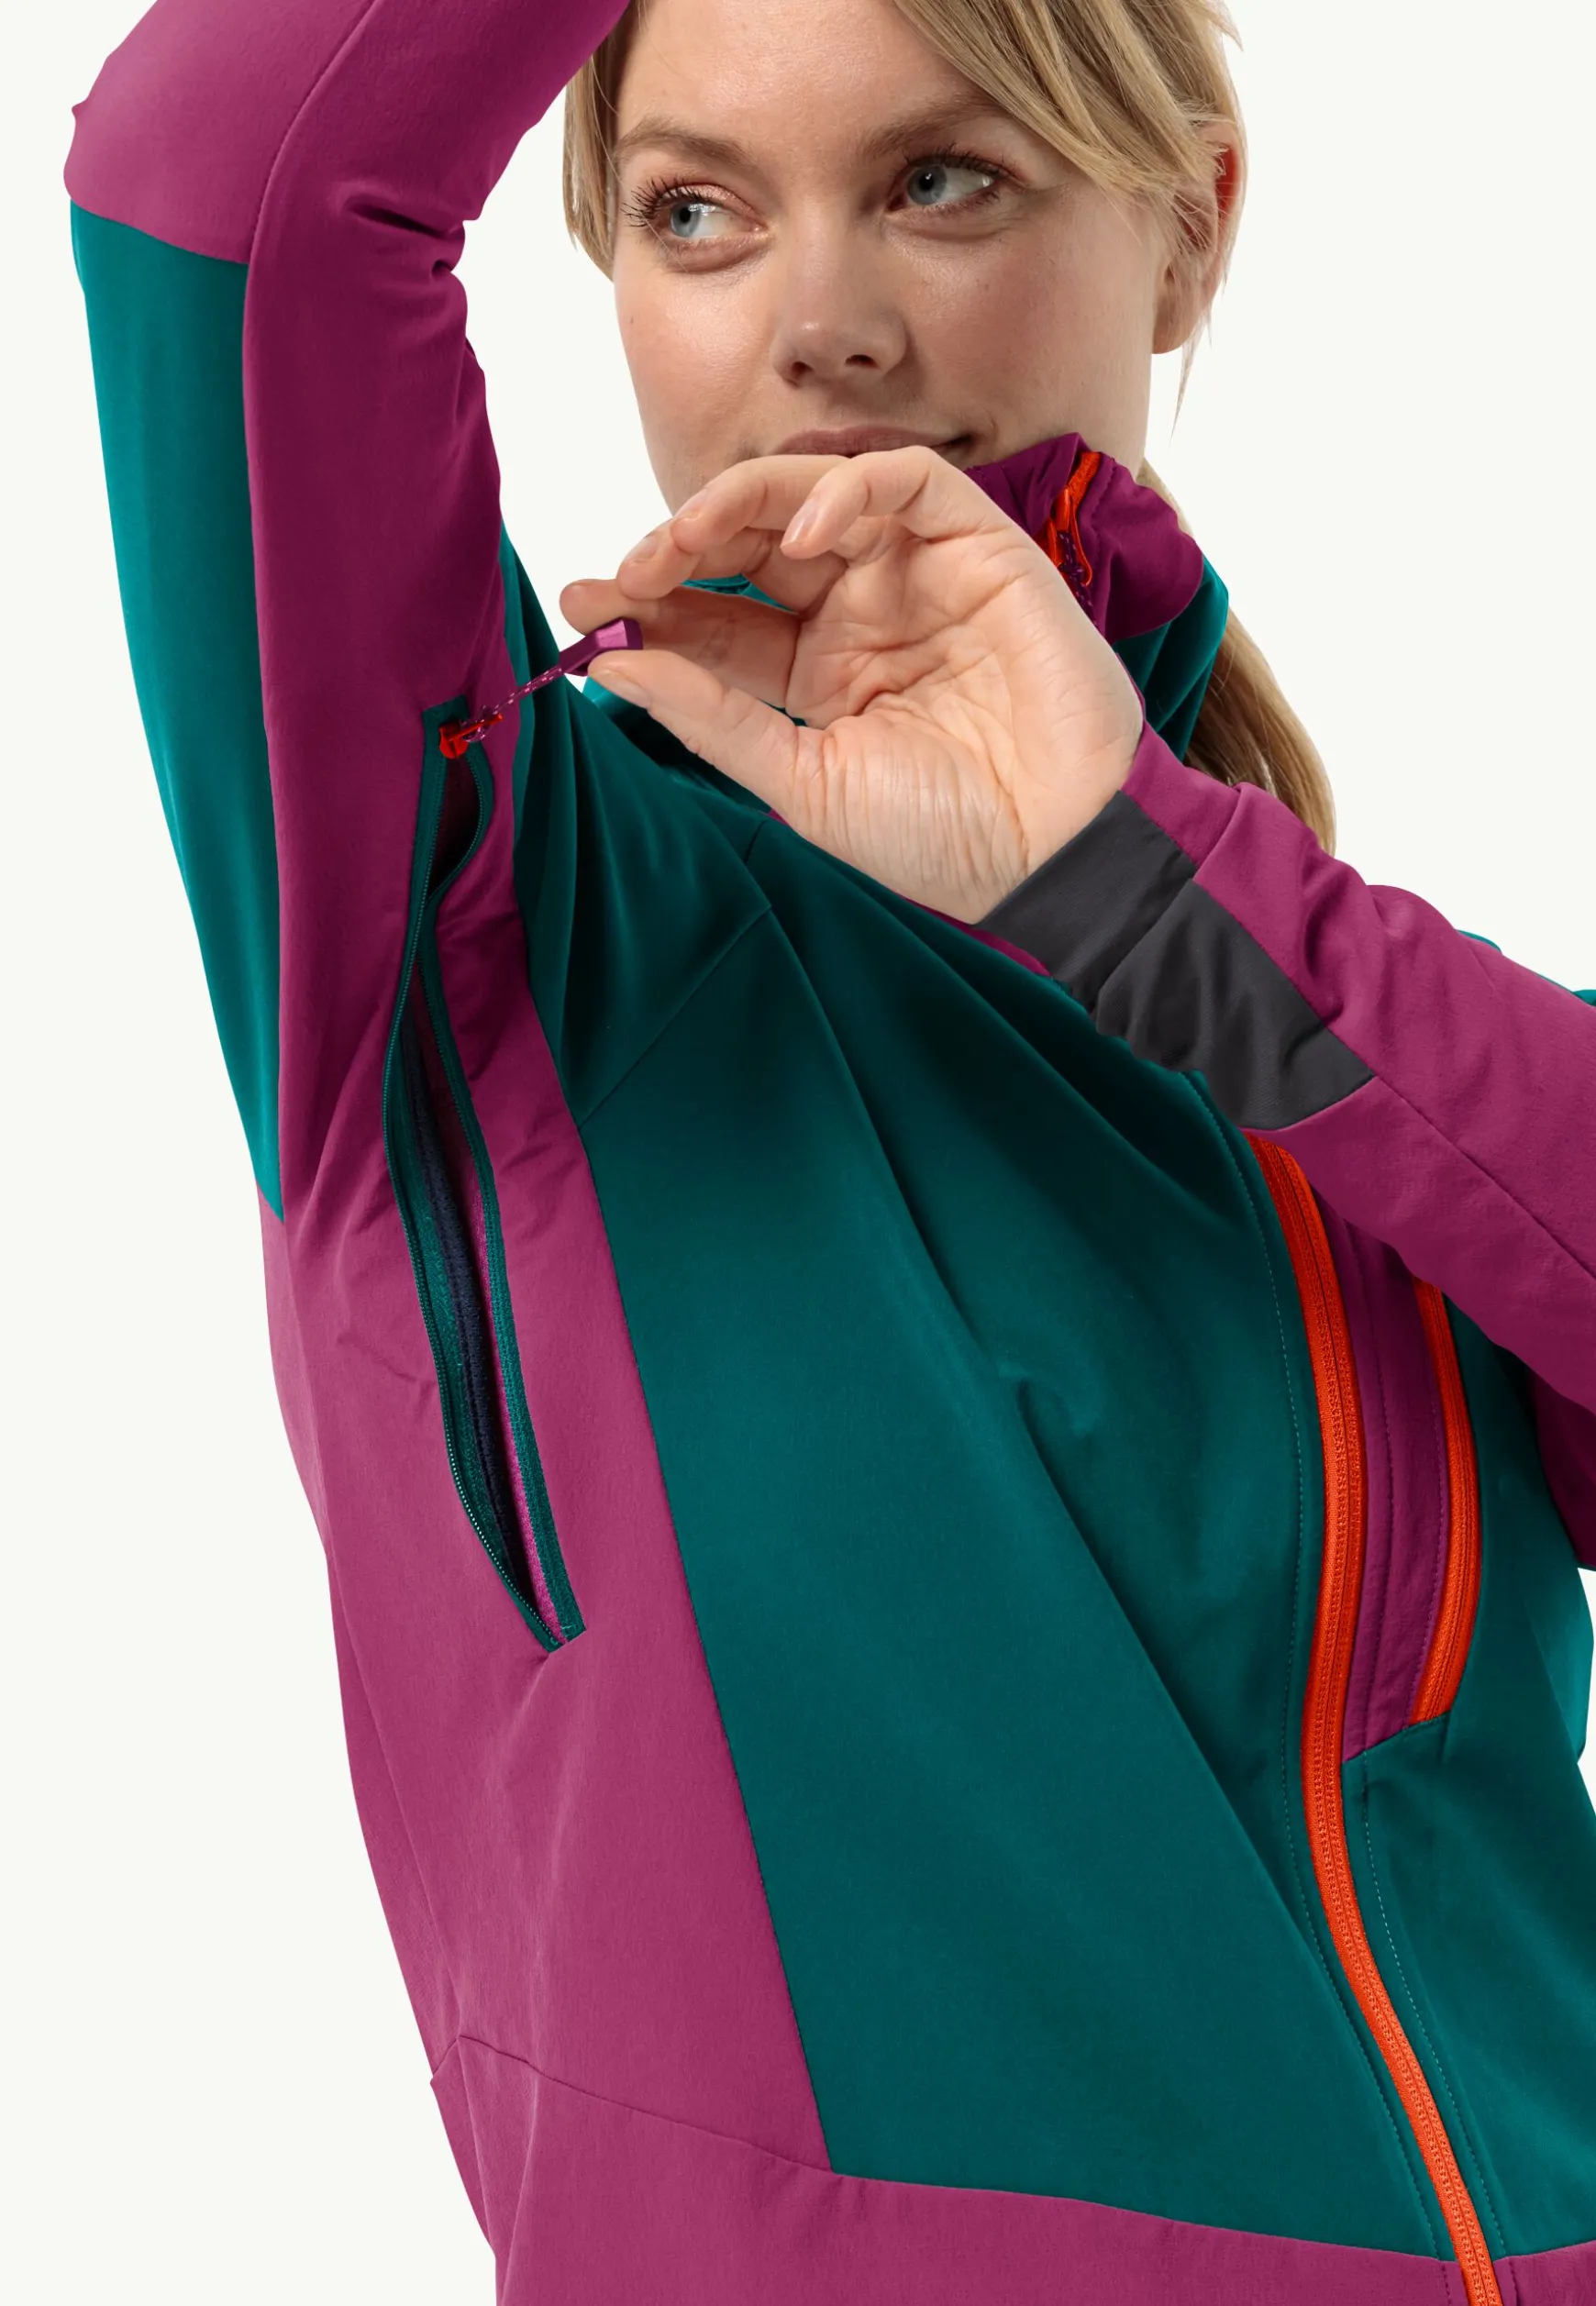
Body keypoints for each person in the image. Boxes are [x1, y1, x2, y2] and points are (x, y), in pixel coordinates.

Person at [64, 0, 1596, 2299]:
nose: (823, 330)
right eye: (696, 212)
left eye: (940, 181)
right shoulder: (489, 936)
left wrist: (1147, 891)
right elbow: (229, 186)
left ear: (1190, 228)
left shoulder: (1328, 1028)